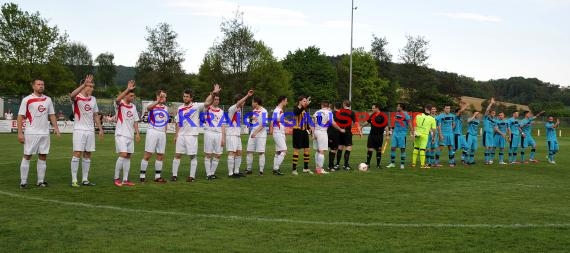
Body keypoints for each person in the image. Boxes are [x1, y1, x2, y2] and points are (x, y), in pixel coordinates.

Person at [17, 79, 61, 188]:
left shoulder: (48, 100)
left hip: (44, 133)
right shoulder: (27, 100)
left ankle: (40, 181)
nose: (41, 86)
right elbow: (20, 116)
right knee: (27, 155)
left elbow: (51, 115)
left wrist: (56, 128)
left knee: (43, 155)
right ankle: (23, 182)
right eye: (39, 84)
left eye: (42, 84)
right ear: (33, 86)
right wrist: (20, 133)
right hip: (31, 132)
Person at [171, 85, 219, 182]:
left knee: (192, 156)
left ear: (191, 98)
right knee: (177, 155)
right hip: (181, 135)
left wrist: (214, 93)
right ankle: (174, 175)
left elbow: (208, 102)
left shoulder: (196, 106)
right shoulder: (180, 108)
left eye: (187, 96)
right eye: (184, 96)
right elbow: (178, 123)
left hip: (191, 135)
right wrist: (176, 135)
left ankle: (192, 176)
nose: (185, 98)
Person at [69, 74, 104, 187]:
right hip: (79, 129)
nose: (92, 88)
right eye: (90, 86)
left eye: (93, 86)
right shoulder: (77, 97)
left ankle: (85, 179)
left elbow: (95, 115)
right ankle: (74, 180)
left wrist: (100, 129)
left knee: (88, 154)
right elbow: (71, 95)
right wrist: (84, 84)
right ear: (84, 87)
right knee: (77, 153)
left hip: (90, 130)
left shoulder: (93, 99)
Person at [113, 80, 141, 187]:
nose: (132, 97)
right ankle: (116, 178)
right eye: (131, 95)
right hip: (121, 134)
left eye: (133, 96)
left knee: (128, 156)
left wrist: (137, 133)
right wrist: (127, 89)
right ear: (126, 96)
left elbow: (135, 121)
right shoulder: (120, 105)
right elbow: (117, 99)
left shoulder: (133, 107)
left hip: (130, 136)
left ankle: (125, 179)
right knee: (123, 155)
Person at [140, 90, 168, 183]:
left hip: (162, 133)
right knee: (148, 154)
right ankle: (142, 176)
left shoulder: (165, 108)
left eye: (164, 96)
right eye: (162, 96)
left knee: (160, 155)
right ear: (157, 96)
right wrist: (157, 101)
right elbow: (148, 108)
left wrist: (165, 131)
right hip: (152, 131)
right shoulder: (152, 104)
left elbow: (165, 121)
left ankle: (157, 176)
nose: (164, 98)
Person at [225, 90, 254, 178]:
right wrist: (247, 95)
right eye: (243, 101)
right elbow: (238, 103)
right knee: (232, 153)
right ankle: (230, 173)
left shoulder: (239, 110)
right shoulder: (233, 108)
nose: (244, 103)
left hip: (237, 135)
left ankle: (236, 171)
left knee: (239, 153)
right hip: (231, 135)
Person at [312, 101, 345, 174]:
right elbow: (333, 123)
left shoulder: (317, 112)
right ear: (327, 106)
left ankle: (317, 168)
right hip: (322, 132)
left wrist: (313, 133)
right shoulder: (329, 112)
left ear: (322, 105)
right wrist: (340, 129)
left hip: (316, 131)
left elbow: (313, 122)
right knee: (322, 151)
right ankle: (320, 170)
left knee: (317, 150)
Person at [203, 93, 225, 180]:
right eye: (215, 99)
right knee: (208, 154)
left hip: (219, 134)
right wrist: (212, 94)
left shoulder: (221, 111)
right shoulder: (207, 108)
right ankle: (208, 174)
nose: (216, 101)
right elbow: (206, 102)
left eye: (218, 99)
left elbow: (223, 124)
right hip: (209, 133)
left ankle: (212, 173)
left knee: (218, 155)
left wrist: (223, 137)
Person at [336, 100, 362, 171]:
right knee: (348, 147)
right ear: (349, 105)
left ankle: (337, 165)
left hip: (340, 131)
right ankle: (346, 165)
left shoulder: (339, 111)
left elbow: (335, 121)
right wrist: (360, 131)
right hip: (347, 132)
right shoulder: (352, 113)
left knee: (340, 147)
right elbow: (356, 122)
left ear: (344, 104)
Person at [246, 97, 268, 175]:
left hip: (261, 134)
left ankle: (261, 171)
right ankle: (249, 170)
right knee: (249, 151)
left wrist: (255, 132)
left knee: (261, 152)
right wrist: (250, 122)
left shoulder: (264, 111)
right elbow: (255, 120)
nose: (252, 104)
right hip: (253, 132)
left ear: (256, 102)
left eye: (252, 102)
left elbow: (263, 124)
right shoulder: (254, 110)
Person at [411, 104, 437, 169]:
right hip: (425, 135)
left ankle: (413, 163)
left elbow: (414, 124)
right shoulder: (432, 119)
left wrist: (414, 133)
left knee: (416, 148)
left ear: (425, 108)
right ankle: (422, 165)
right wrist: (433, 138)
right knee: (422, 149)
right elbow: (434, 130)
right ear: (431, 110)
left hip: (417, 133)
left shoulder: (418, 115)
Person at [386, 103, 411, 169]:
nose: (397, 107)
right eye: (397, 106)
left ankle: (402, 164)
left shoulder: (406, 114)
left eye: (398, 106)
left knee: (402, 149)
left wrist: (412, 132)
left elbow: (409, 123)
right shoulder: (397, 114)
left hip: (402, 134)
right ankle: (392, 163)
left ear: (401, 108)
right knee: (393, 148)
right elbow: (395, 122)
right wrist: (391, 129)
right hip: (395, 133)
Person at [292, 96, 312, 175]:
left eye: (305, 101)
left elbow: (306, 120)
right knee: (296, 150)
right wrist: (305, 105)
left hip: (304, 131)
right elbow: (297, 112)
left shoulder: (305, 110)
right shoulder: (296, 108)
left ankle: (306, 168)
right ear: (300, 101)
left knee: (307, 149)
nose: (305, 102)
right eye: (304, 101)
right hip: (297, 131)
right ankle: (294, 169)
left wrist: (309, 129)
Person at [269, 96, 289, 176]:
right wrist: (287, 121)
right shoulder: (277, 110)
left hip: (280, 132)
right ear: (282, 101)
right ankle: (276, 168)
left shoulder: (279, 110)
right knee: (284, 150)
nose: (287, 102)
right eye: (286, 101)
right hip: (278, 132)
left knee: (278, 152)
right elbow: (275, 119)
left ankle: (275, 169)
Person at [366, 103, 387, 169]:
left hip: (379, 136)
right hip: (371, 135)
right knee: (370, 149)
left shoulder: (383, 116)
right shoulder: (372, 115)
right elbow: (367, 121)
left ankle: (378, 165)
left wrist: (387, 135)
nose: (372, 109)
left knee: (378, 150)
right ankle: (368, 163)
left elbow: (386, 126)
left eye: (373, 108)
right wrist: (361, 126)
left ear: (377, 108)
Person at [327, 102, 342, 171]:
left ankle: (329, 165)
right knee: (333, 149)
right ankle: (331, 166)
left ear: (334, 107)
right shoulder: (341, 114)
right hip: (335, 134)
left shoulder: (330, 113)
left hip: (328, 133)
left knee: (331, 149)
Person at [483, 98, 497, 165]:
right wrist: (491, 103)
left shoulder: (494, 120)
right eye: (493, 113)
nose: (493, 114)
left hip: (491, 134)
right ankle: (486, 161)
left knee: (491, 148)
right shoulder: (486, 117)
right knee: (487, 147)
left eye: (494, 113)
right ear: (490, 113)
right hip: (486, 133)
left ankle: (489, 160)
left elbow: (494, 128)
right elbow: (487, 110)